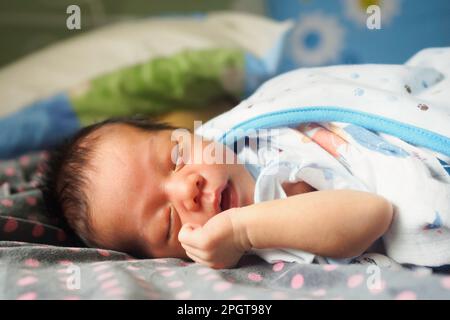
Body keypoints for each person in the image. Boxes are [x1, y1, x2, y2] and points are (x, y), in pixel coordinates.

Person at [43, 116, 393, 269]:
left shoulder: (245, 132)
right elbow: (372, 214)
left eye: (177, 156)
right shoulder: (265, 223)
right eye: (168, 219)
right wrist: (244, 231)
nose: (186, 188)